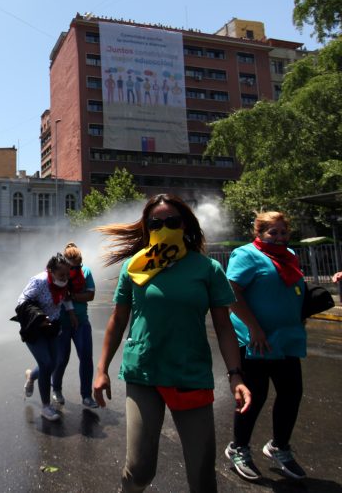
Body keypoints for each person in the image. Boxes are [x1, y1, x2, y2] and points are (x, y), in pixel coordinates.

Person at [93, 194, 251, 493]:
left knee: (202, 477)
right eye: (156, 223)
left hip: (190, 374)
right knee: (139, 471)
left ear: (185, 225)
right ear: (147, 228)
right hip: (144, 373)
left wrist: (236, 375)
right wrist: (101, 370)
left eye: (172, 221)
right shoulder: (134, 267)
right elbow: (118, 319)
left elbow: (223, 325)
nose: (164, 227)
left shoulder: (207, 269)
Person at [223, 212, 308, 481]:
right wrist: (254, 327)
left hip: (286, 339)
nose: (279, 237)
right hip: (255, 340)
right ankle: (238, 447)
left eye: (283, 232)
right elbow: (231, 292)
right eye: (273, 232)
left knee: (291, 393)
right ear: (258, 233)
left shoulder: (289, 255)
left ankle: (279, 446)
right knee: (254, 397)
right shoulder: (246, 255)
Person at [14, 253, 76, 422]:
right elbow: (22, 301)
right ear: (51, 271)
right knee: (46, 363)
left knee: (54, 363)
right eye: (61, 275)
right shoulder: (39, 281)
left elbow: (66, 296)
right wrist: (39, 318)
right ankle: (46, 407)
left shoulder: (64, 282)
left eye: (67, 274)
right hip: (34, 328)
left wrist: (71, 313)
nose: (65, 278)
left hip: (52, 327)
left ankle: (31, 376)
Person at [52, 242, 98, 409]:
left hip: (81, 322)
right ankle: (56, 389)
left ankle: (86, 395)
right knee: (61, 359)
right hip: (61, 323)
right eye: (72, 267)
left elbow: (91, 295)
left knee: (86, 357)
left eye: (78, 266)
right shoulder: (57, 272)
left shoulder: (86, 272)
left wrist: (72, 296)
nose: (75, 269)